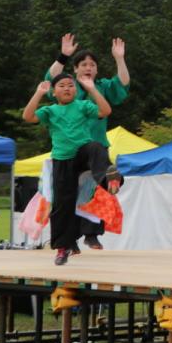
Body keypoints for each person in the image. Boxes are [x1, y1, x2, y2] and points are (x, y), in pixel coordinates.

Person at [45, 34, 130, 251]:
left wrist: (120, 59)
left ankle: (92, 234)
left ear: (97, 70)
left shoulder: (101, 86)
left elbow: (123, 84)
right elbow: (50, 79)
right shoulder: (68, 87)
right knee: (68, 196)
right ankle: (68, 241)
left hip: (95, 148)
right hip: (69, 151)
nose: (88, 67)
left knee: (98, 190)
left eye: (92, 64)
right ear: (75, 69)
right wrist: (63, 56)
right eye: (83, 64)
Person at [23, 74, 118, 265]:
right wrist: (38, 93)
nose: (67, 88)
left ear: (75, 90)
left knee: (96, 147)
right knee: (62, 205)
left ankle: (111, 180)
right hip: (62, 160)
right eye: (62, 85)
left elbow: (105, 111)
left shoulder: (83, 105)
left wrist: (92, 88)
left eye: (70, 85)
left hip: (83, 153)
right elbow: (28, 116)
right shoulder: (50, 110)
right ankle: (62, 248)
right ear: (54, 91)